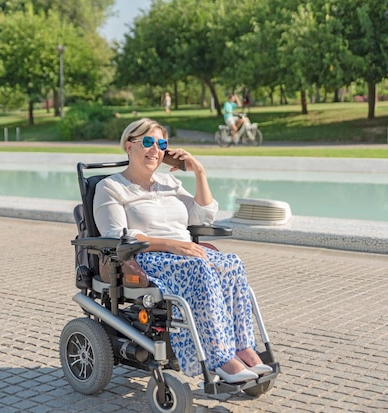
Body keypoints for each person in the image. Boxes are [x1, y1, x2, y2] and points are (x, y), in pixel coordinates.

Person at [93, 118, 272, 383]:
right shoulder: (110, 187)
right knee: (199, 268)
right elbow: (118, 235)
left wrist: (198, 170)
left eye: (162, 144)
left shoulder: (169, 183)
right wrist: (172, 245)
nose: (156, 149)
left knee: (231, 262)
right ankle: (220, 359)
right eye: (148, 142)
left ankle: (242, 346)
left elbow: (202, 216)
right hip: (145, 257)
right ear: (129, 146)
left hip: (185, 252)